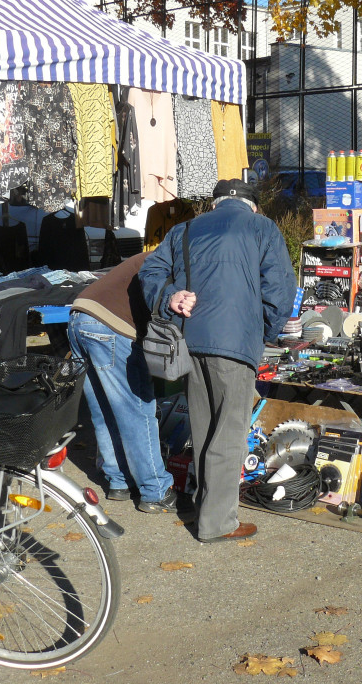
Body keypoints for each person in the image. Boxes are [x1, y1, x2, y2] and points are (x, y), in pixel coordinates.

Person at [140, 179, 296, 543]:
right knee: (228, 434)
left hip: (190, 343)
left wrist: (169, 297)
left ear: (215, 205)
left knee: (204, 427)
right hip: (236, 343)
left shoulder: (183, 230)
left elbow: (149, 273)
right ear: (252, 206)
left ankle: (204, 506)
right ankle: (217, 523)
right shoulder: (262, 227)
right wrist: (267, 333)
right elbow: (280, 289)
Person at [67, 252, 177, 511]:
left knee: (103, 409)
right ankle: (155, 490)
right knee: (137, 408)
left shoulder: (154, 254)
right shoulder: (179, 262)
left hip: (78, 316)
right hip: (111, 326)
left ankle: (118, 480)